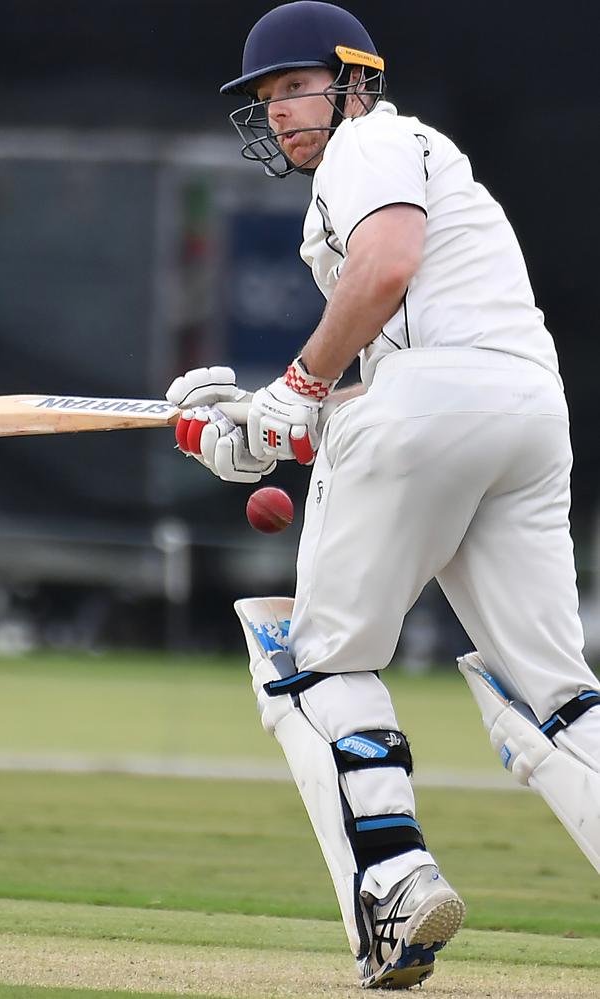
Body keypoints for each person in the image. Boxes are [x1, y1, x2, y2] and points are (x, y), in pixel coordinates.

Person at [166, 2, 600, 990]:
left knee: (317, 661)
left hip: (438, 405)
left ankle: (397, 881)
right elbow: (391, 384)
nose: (279, 114)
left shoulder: (371, 142)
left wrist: (293, 390)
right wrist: (246, 428)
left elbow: (388, 275)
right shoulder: (417, 161)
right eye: (266, 99)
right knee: (553, 697)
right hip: (526, 414)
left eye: (294, 88)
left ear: (354, 79)